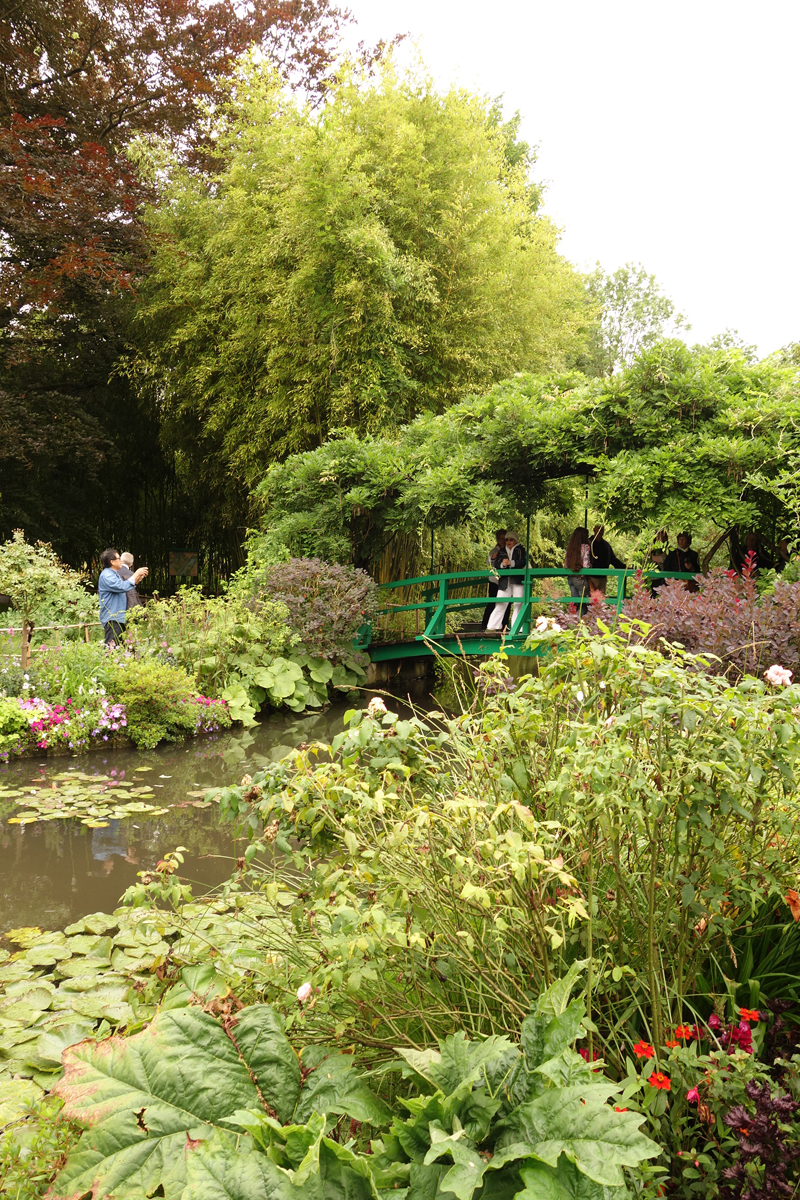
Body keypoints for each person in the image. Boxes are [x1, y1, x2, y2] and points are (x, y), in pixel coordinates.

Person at [98, 548, 148, 647]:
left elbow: (124, 586)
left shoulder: (113, 574)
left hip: (118, 618)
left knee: (119, 650)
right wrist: (136, 574)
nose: (121, 561)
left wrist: (137, 580)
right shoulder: (107, 575)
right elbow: (121, 587)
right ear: (111, 562)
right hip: (112, 618)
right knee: (111, 651)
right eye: (118, 558)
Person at [487, 531, 527, 631]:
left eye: (511, 539)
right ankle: (493, 626)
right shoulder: (501, 551)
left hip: (517, 580)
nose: (508, 541)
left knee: (518, 603)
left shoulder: (521, 550)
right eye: (507, 539)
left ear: (516, 540)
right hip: (505, 580)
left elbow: (522, 562)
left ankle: (518, 628)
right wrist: (503, 564)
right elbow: (496, 564)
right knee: (500, 602)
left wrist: (511, 563)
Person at [481, 530, 506, 631]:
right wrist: (493, 557)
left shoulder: (509, 550)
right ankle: (484, 625)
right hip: (494, 580)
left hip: (505, 580)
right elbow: (488, 562)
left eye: (505, 538)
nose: (503, 541)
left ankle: (504, 626)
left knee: (505, 603)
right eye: (501, 539)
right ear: (497, 539)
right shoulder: (494, 550)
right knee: (492, 602)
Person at [589, 525, 626, 595]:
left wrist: (625, 567)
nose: (600, 531)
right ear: (594, 530)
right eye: (598, 529)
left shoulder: (606, 545)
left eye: (602, 530)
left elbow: (613, 560)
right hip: (591, 578)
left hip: (602, 578)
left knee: (601, 601)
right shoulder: (588, 543)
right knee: (590, 600)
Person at [564, 526, 592, 610]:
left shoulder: (569, 548)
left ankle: (575, 621)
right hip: (581, 579)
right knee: (584, 604)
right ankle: (581, 621)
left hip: (571, 579)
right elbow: (586, 566)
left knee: (576, 604)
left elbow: (565, 565)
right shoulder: (585, 547)